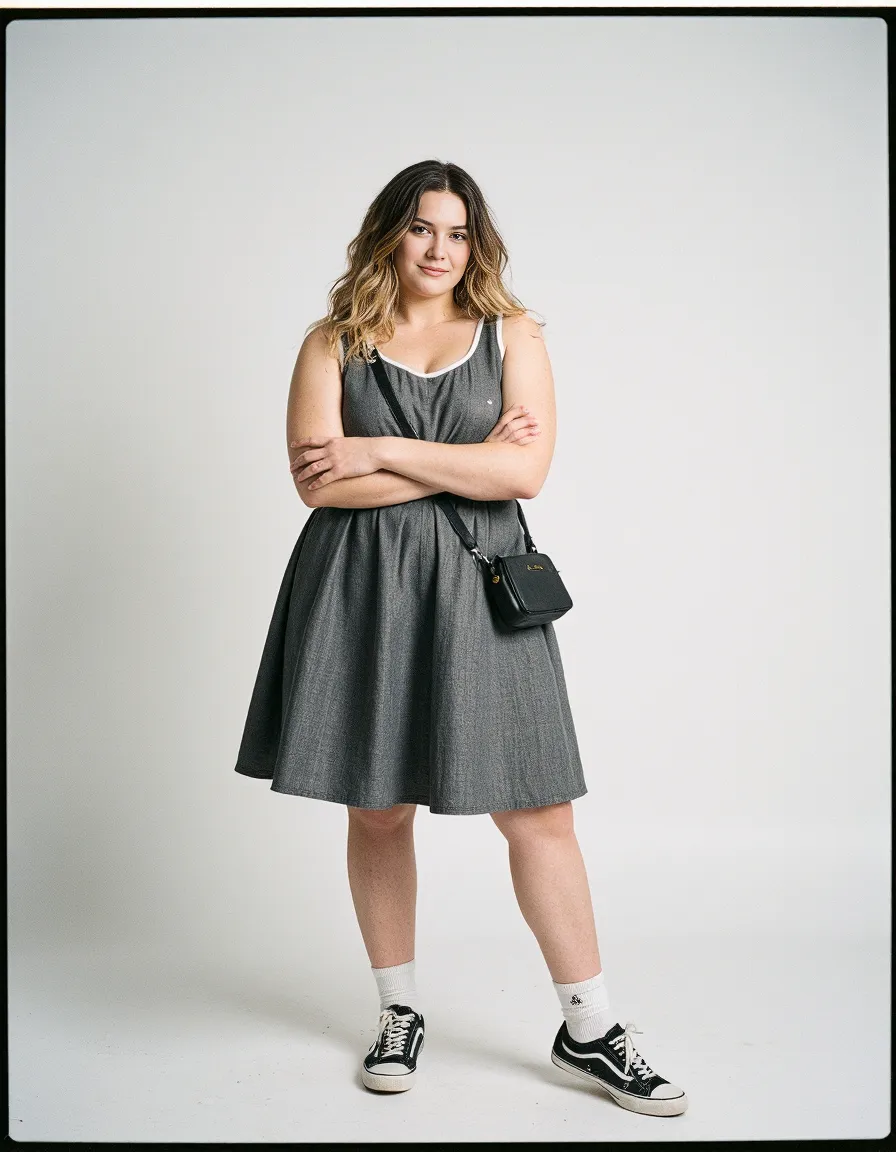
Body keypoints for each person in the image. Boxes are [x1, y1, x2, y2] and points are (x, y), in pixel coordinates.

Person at [234, 160, 688, 1117]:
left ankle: (591, 1028)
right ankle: (398, 1010)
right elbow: (319, 487)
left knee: (539, 811)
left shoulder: (513, 334)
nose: (439, 250)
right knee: (379, 807)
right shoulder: (332, 341)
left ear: (476, 241)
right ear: (389, 233)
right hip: (360, 588)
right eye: (420, 230)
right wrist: (467, 462)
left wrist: (383, 449)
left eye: (457, 232)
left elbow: (526, 475)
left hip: (482, 586)